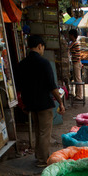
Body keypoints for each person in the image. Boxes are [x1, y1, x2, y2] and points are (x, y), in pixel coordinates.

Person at [15, 34, 65, 168]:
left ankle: (39, 155)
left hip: (31, 103)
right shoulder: (44, 63)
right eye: (43, 47)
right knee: (44, 132)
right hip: (44, 103)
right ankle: (43, 160)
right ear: (39, 46)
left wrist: (23, 103)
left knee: (38, 130)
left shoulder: (22, 64)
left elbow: (19, 86)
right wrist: (60, 102)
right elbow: (52, 86)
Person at [68, 29, 83, 100]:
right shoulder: (75, 42)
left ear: (72, 35)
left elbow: (68, 48)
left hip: (76, 63)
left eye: (70, 35)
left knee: (78, 79)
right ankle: (77, 95)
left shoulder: (75, 43)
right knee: (76, 79)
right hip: (76, 62)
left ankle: (79, 95)